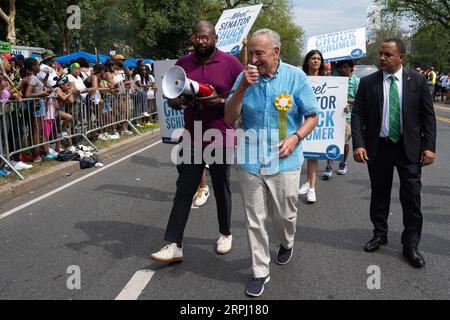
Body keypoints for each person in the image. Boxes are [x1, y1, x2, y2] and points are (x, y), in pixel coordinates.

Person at [225, 29, 318, 297]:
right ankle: (260, 271)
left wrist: (295, 138)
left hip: (285, 160)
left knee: (284, 216)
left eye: (259, 53)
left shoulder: (295, 77)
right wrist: (242, 86)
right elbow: (229, 116)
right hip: (250, 161)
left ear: (275, 53)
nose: (253, 59)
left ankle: (287, 241)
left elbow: (312, 116)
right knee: (255, 219)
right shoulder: (244, 78)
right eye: (250, 53)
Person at [150, 21, 243, 262]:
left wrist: (218, 102)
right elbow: (172, 95)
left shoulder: (231, 63)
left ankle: (225, 232)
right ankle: (174, 244)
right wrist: (176, 102)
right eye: (197, 37)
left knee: (222, 187)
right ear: (193, 39)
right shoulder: (183, 64)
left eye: (206, 36)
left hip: (221, 133)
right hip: (192, 134)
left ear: (215, 38)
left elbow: (241, 98)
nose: (201, 41)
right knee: (184, 189)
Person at [352, 38, 436, 268]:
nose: (382, 58)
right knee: (380, 193)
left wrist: (429, 146)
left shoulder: (417, 81)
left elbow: (428, 116)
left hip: (408, 148)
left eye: (387, 55)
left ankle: (410, 244)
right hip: (378, 147)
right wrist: (359, 143)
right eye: (380, 54)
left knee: (411, 196)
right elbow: (357, 114)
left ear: (401, 57)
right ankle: (380, 234)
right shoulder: (367, 82)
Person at [323, 60, 360, 177]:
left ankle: (343, 163)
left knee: (343, 141)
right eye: (341, 68)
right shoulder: (335, 79)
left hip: (348, 116)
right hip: (333, 114)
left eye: (345, 67)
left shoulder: (357, 81)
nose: (343, 70)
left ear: (351, 68)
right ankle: (329, 166)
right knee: (332, 140)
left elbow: (359, 100)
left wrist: (345, 99)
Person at [298, 50, 325, 203]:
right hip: (300, 119)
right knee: (303, 152)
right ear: (307, 61)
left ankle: (312, 188)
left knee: (313, 154)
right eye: (313, 58)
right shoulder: (300, 78)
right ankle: (308, 182)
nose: (316, 61)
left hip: (318, 122)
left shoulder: (328, 81)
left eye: (319, 59)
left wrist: (343, 107)